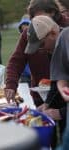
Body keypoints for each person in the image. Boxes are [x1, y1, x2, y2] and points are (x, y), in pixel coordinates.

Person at [4, 0, 69, 107]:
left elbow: (60, 77)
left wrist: (60, 113)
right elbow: (17, 61)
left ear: (53, 12)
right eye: (35, 18)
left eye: (42, 17)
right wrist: (11, 84)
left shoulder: (64, 34)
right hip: (42, 95)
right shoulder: (30, 32)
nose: (38, 21)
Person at [24, 15, 66, 148]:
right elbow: (57, 81)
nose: (41, 49)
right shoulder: (55, 47)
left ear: (53, 33)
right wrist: (47, 104)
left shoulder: (65, 42)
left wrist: (61, 113)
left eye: (41, 44)